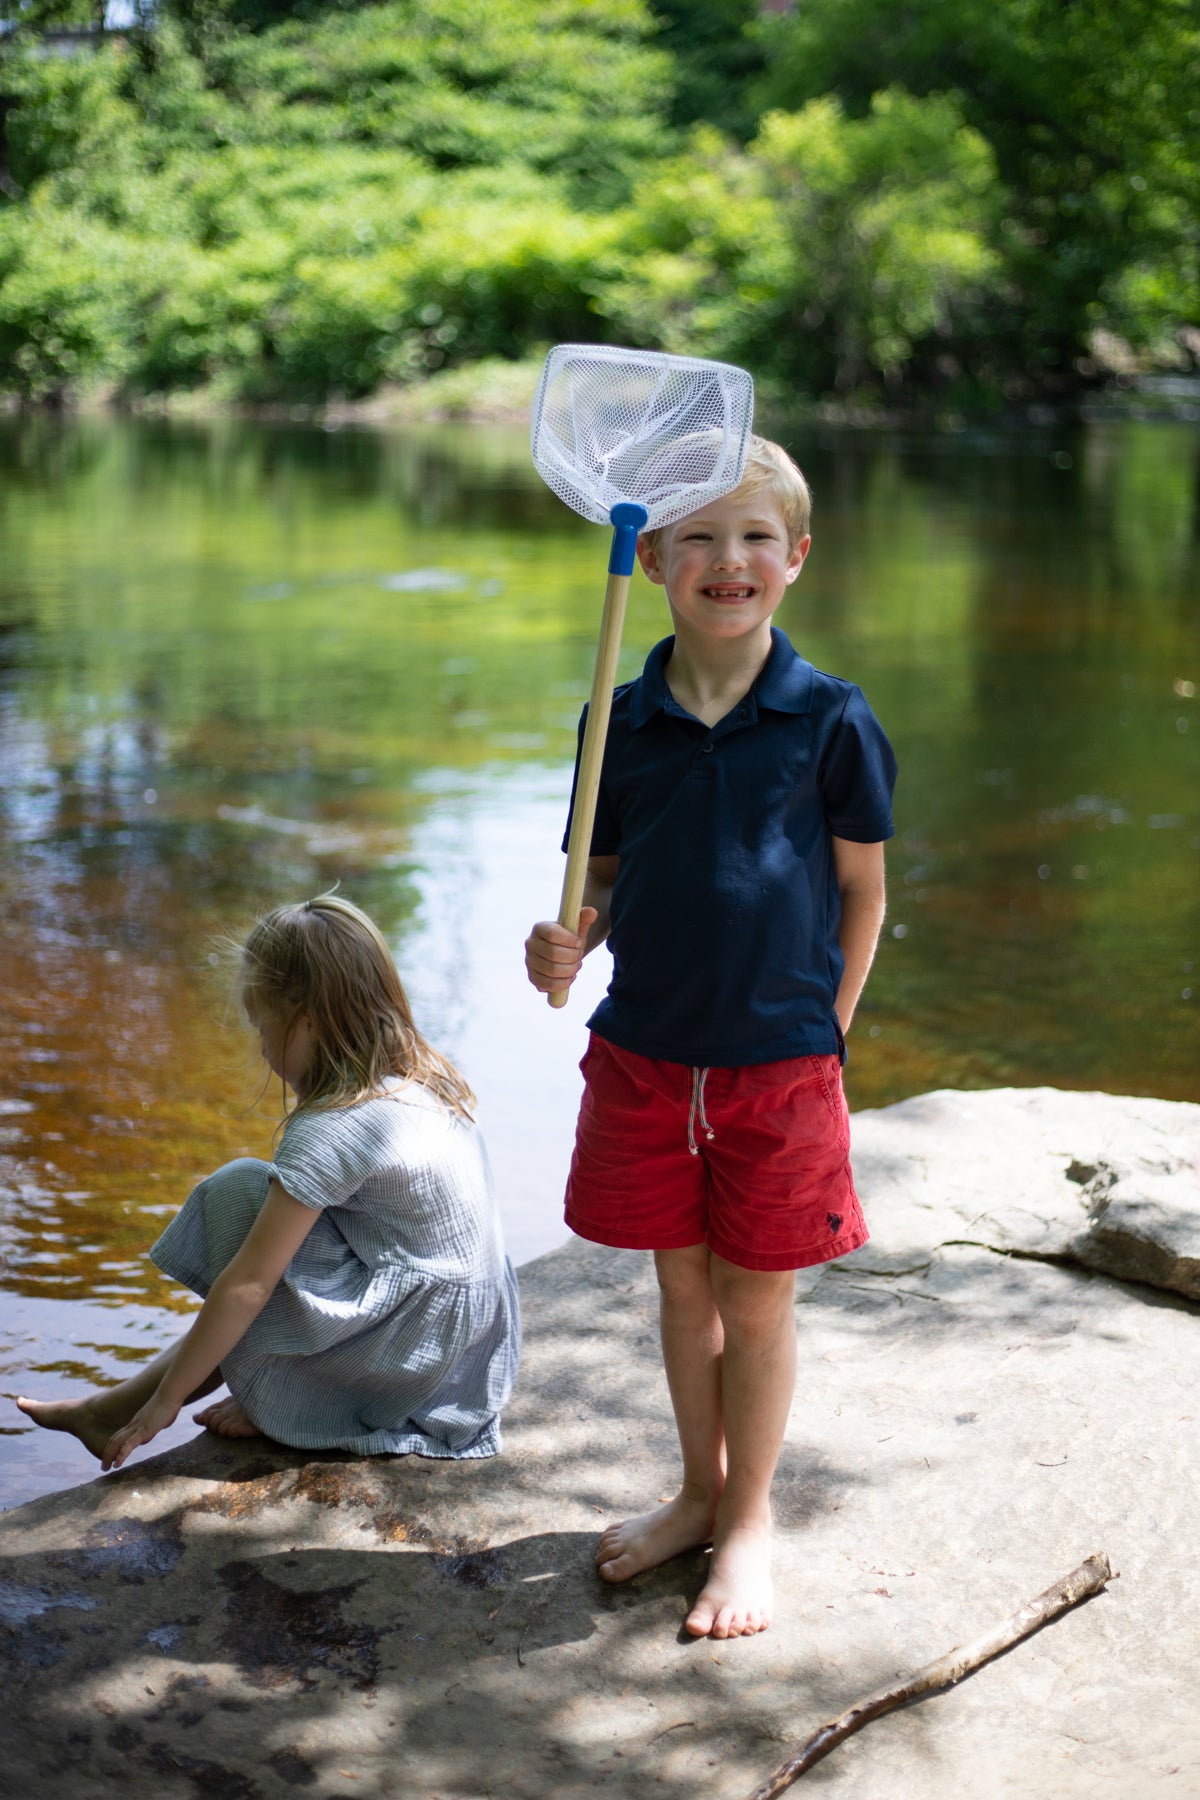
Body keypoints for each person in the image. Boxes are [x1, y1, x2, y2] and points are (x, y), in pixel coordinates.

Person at [524, 436, 896, 1641]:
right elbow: (608, 881)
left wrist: (825, 1034)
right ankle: (696, 1490)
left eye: (752, 538)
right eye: (699, 537)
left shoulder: (831, 719)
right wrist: (571, 939)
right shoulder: (617, 719)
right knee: (682, 1291)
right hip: (646, 1051)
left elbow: (862, 892)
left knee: (761, 1300)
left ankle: (750, 1521)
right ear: (651, 556)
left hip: (781, 1065)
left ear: (794, 558)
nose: (726, 560)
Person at [18, 893, 520, 1473]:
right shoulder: (415, 1078)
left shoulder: (333, 1126)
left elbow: (248, 1287)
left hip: (414, 1356)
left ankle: (297, 1399)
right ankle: (110, 1407)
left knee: (239, 1193)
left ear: (305, 1016)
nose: (259, 1047)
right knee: (278, 1230)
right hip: (469, 1350)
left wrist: (166, 1405)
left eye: (263, 1026)